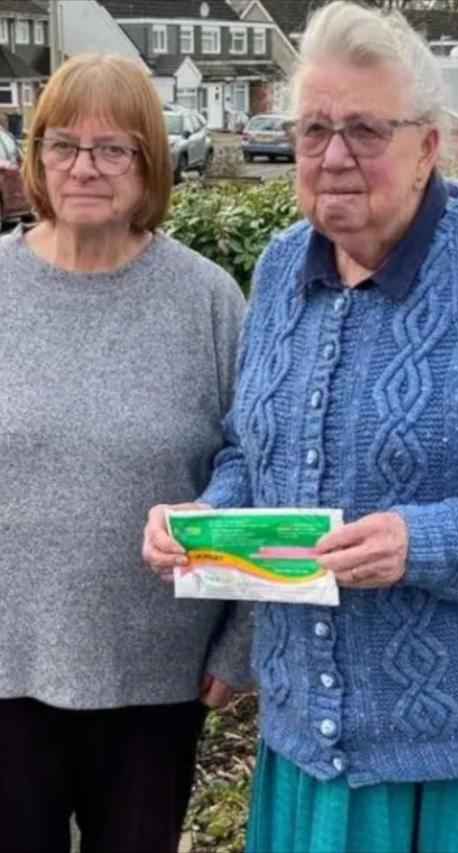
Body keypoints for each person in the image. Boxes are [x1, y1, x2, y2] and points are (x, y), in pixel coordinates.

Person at [142, 3, 458, 852]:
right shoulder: (284, 263)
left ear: (428, 146)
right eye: (314, 128)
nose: (333, 156)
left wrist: (425, 541)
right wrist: (207, 526)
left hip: (454, 762)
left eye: (365, 129)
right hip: (303, 741)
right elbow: (249, 449)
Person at [0, 53, 250, 853]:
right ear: (35, 155)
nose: (85, 166)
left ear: (152, 160)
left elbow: (253, 462)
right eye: (64, 144)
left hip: (158, 671)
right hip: (7, 666)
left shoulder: (208, 299)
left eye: (115, 149)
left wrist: (239, 637)